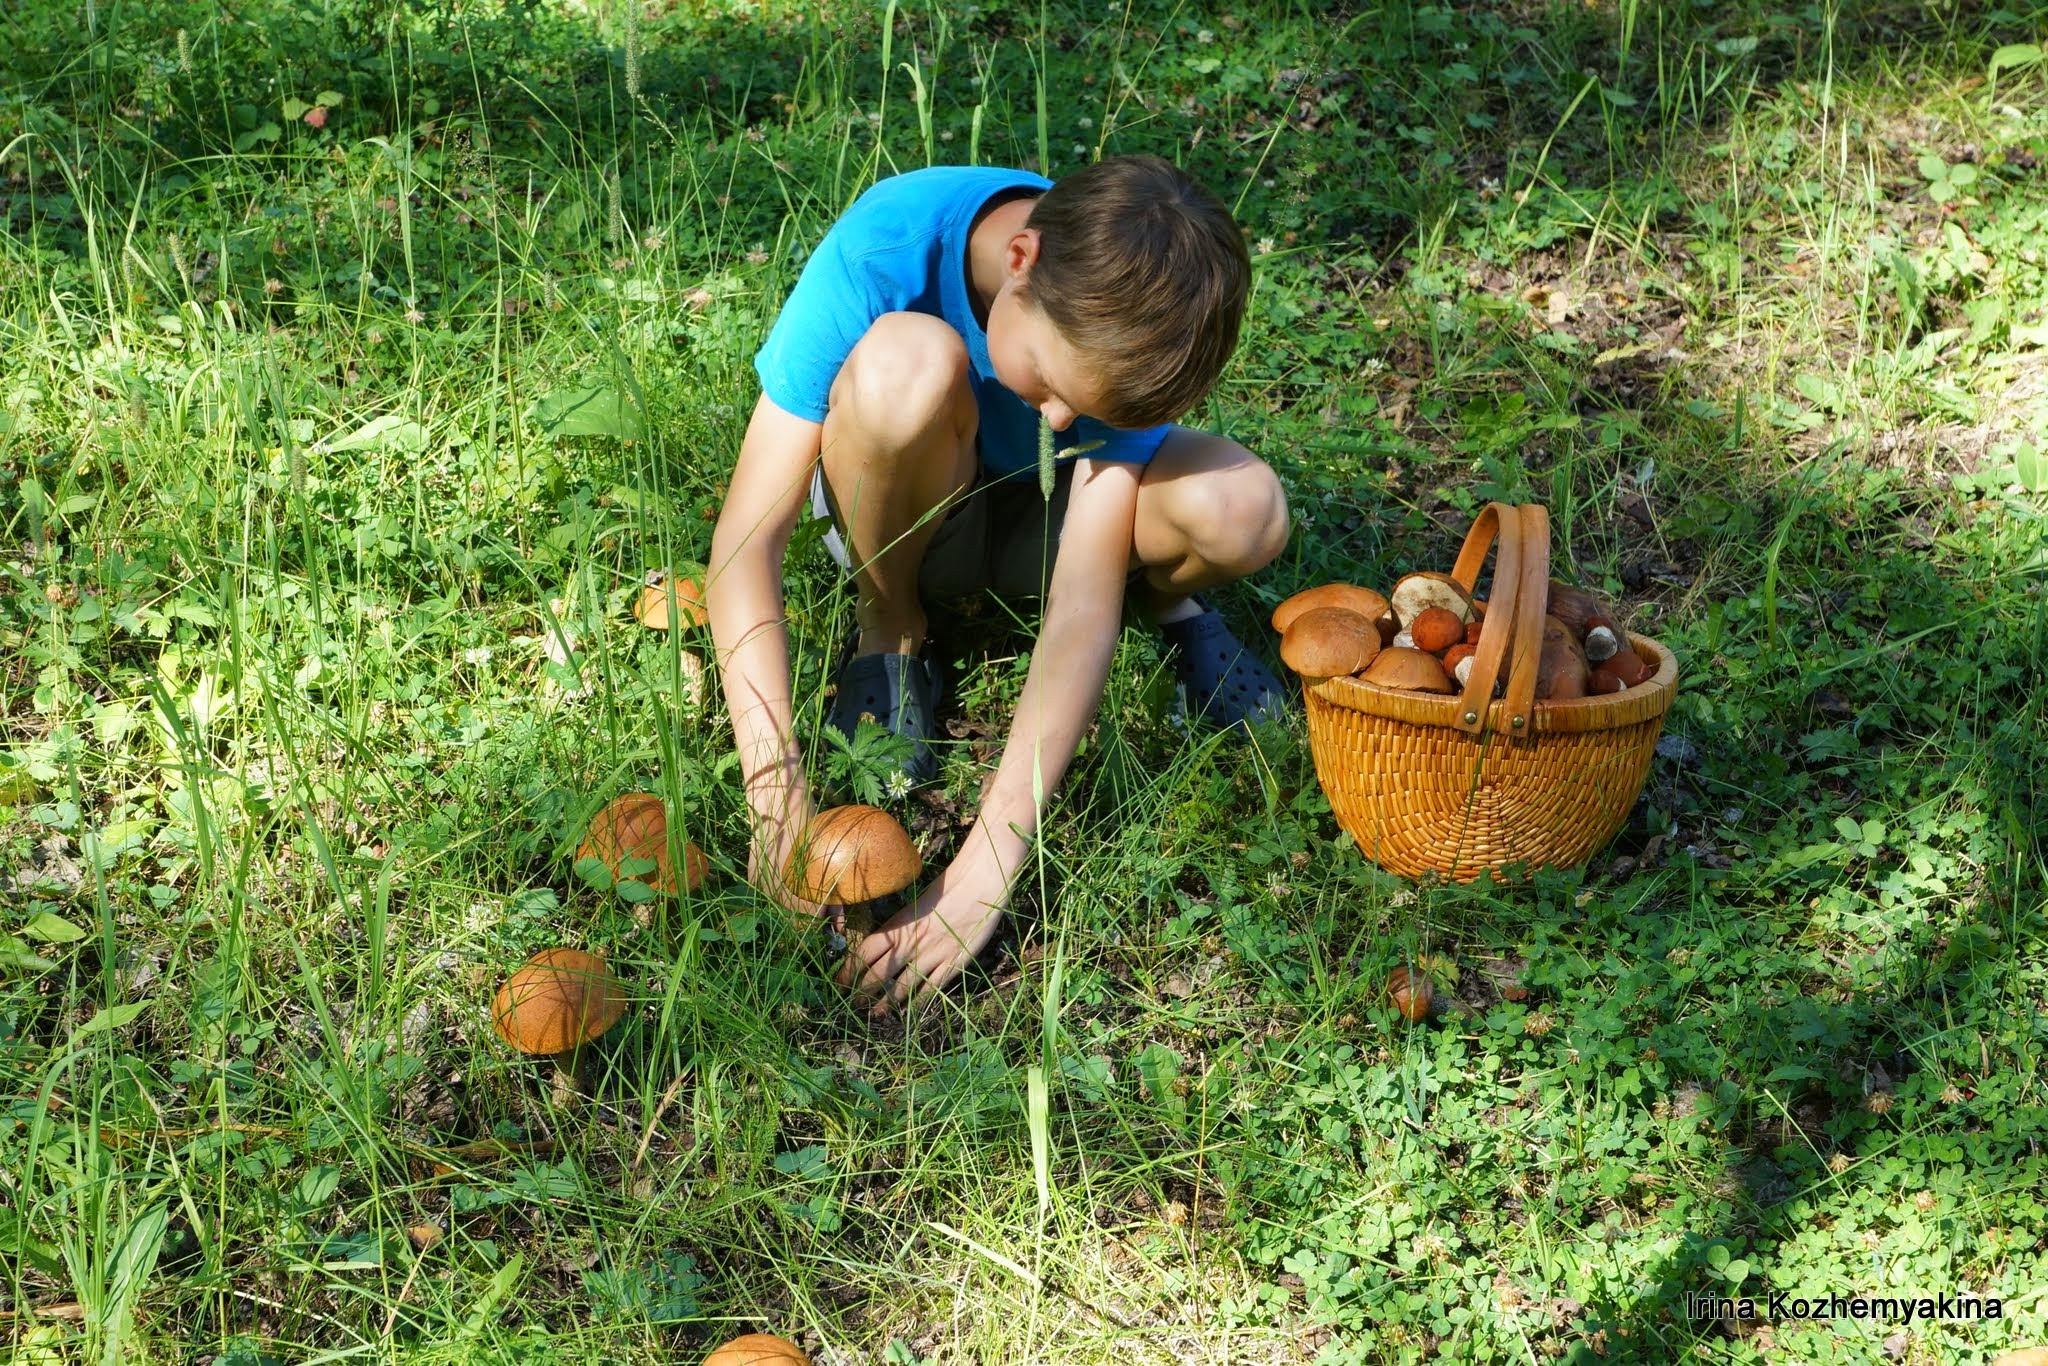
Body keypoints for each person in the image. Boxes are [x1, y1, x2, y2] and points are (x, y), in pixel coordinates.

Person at [706, 154, 1289, 1010]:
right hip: (904, 503)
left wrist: (989, 863)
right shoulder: (890, 244)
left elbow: (1080, 606)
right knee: (906, 363)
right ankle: (891, 630)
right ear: (1021, 260)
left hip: (1048, 522)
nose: (1057, 420)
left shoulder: (1141, 312)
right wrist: (772, 790)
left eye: (1087, 410)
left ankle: (1168, 602)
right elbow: (744, 548)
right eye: (1054, 387)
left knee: (1248, 508)